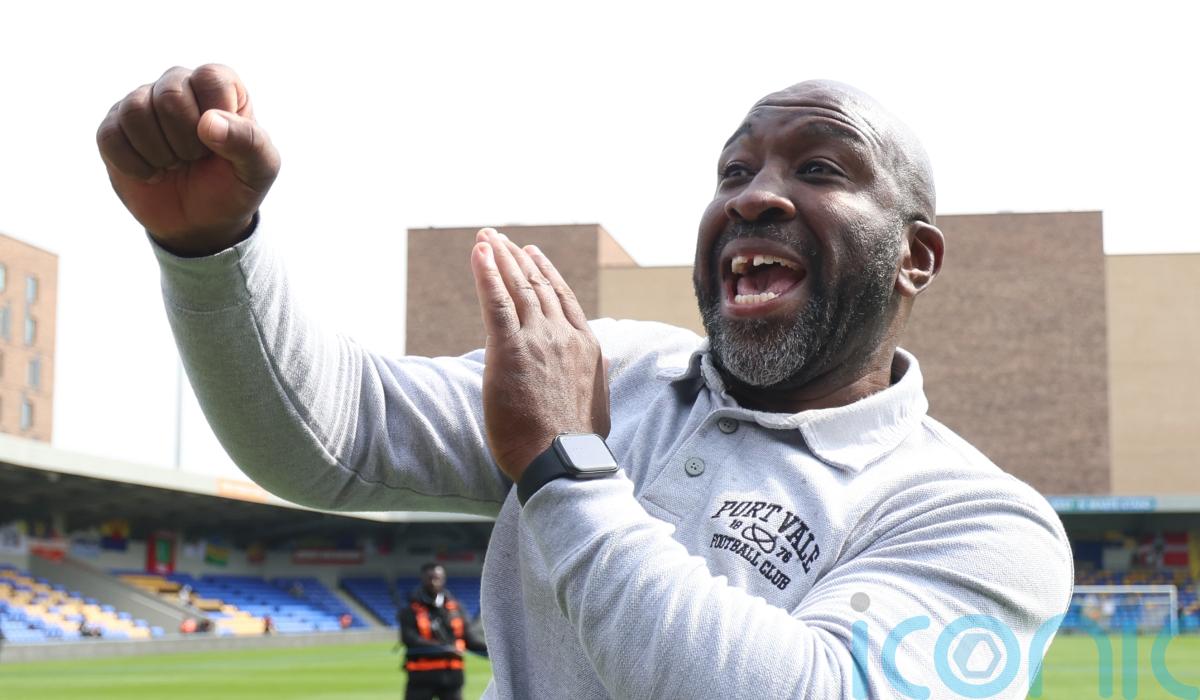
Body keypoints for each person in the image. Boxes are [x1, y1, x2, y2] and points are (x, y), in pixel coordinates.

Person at [98, 65, 1073, 698]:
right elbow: (334, 439)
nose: (754, 196)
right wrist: (210, 251)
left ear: (915, 258)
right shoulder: (616, 366)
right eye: (734, 171)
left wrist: (566, 468)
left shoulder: (985, 523)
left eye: (820, 168)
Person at [397, 563, 487, 700]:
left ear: (443, 579)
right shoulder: (409, 609)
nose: (434, 582)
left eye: (437, 578)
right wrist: (444, 649)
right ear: (423, 579)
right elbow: (409, 638)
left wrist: (493, 653)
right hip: (421, 679)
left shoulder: (456, 608)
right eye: (430, 578)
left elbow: (469, 639)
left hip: (452, 678)